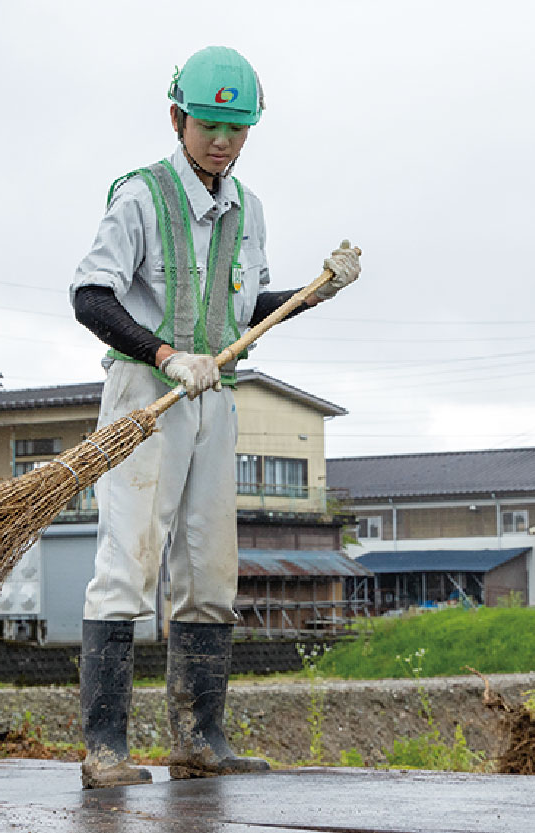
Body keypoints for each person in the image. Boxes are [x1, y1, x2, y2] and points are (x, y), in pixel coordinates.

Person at [69, 45, 361, 789]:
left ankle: (199, 737)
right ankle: (104, 747)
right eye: (209, 125)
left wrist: (311, 292)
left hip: (216, 398)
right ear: (177, 118)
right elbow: (90, 296)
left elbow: (244, 309)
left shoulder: (248, 209)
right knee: (127, 562)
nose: (222, 141)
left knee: (209, 569)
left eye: (237, 128)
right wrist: (166, 355)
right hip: (146, 394)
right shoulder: (141, 196)